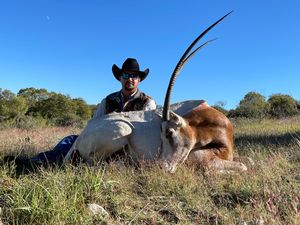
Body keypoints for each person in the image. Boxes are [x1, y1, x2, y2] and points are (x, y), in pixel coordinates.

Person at [5, 58, 156, 169]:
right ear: (120, 78)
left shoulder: (148, 103)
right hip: (101, 143)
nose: (129, 79)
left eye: (134, 76)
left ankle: (50, 163)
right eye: (125, 75)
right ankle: (36, 161)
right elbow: (94, 125)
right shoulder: (108, 101)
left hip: (130, 150)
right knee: (70, 140)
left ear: (139, 80)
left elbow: (147, 135)